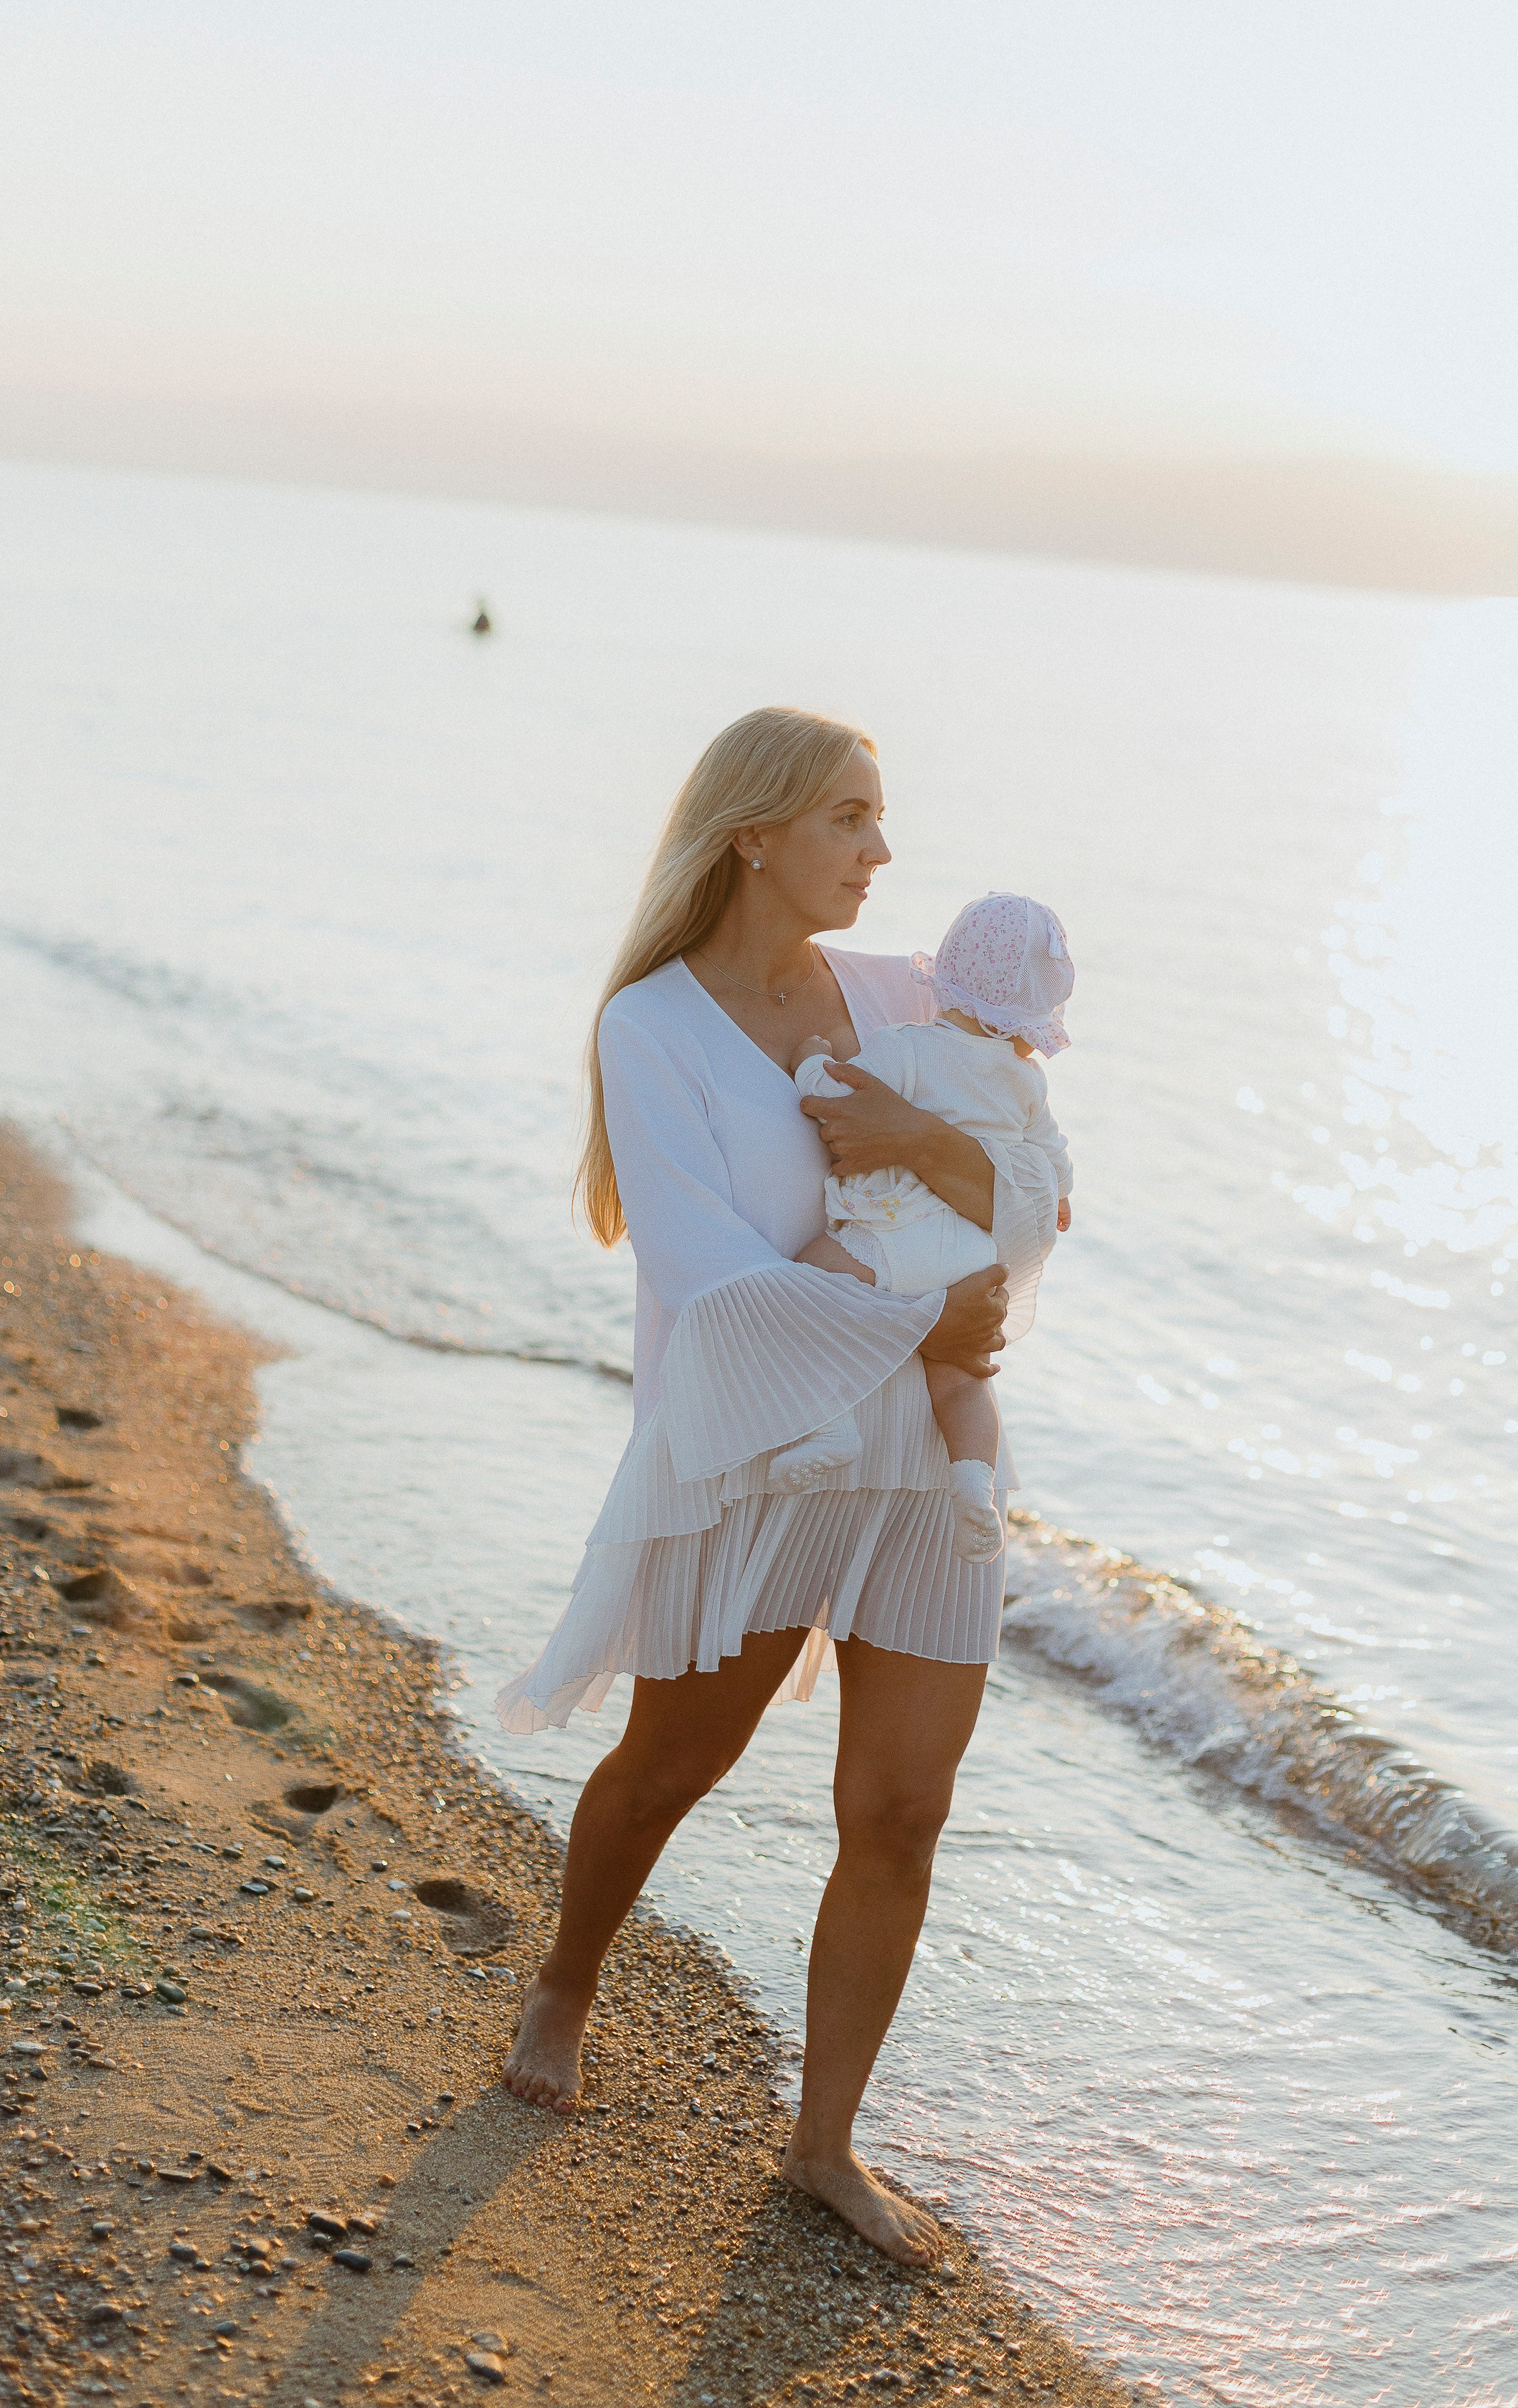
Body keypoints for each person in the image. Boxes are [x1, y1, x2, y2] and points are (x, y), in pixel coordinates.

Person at [495, 707, 1061, 2265]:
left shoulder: (902, 1000)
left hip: (925, 1463)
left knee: (902, 1805)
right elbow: (709, 1277)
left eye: (879, 823)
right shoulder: (650, 1029)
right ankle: (566, 1975)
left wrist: (919, 1151)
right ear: (755, 833)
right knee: (674, 1759)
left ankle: (821, 2145)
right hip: (756, 1450)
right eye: (850, 821)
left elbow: (1033, 1195)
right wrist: (914, 1315)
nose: (882, 853)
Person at [771, 893, 1074, 1562]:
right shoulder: (1027, 1082)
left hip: (892, 1234)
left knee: (811, 1281)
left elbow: (839, 1098)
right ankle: (974, 1478)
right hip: (970, 1252)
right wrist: (1062, 1198)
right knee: (964, 1378)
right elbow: (1051, 1157)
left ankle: (830, 1423)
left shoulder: (908, 1049)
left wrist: (810, 1059)